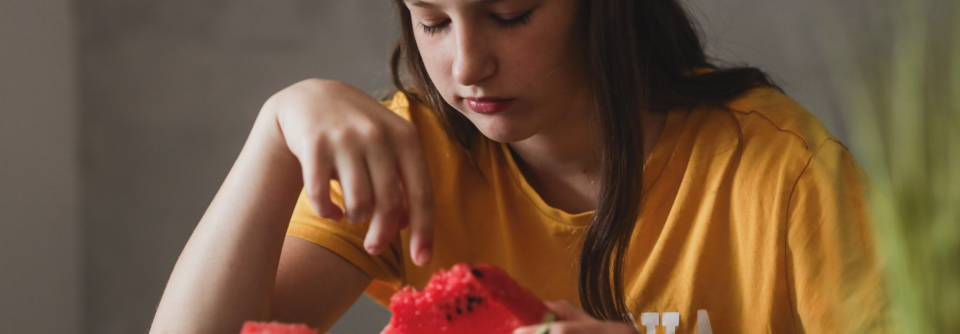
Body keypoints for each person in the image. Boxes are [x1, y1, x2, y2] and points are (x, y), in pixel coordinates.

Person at [150, 0, 890, 333]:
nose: (467, 65)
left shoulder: (779, 167)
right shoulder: (411, 150)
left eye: (510, 16)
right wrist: (275, 131)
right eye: (432, 20)